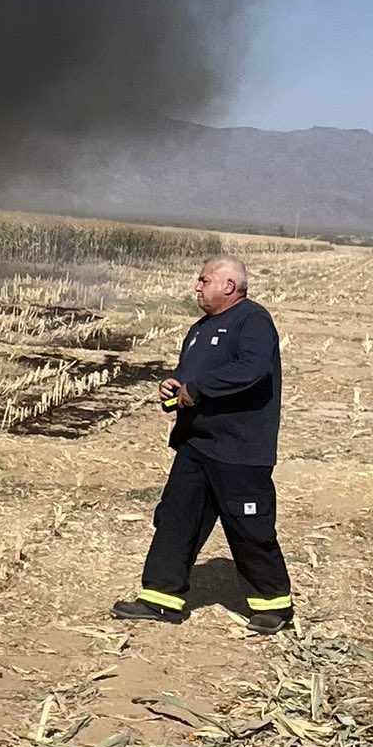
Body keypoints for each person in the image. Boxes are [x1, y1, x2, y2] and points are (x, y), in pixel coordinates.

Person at [112, 256, 293, 634]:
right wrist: (173, 388)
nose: (197, 287)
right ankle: (161, 599)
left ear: (229, 285)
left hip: (239, 449)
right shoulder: (200, 328)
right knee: (176, 519)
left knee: (249, 525)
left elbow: (251, 370)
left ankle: (274, 606)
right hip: (196, 445)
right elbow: (189, 378)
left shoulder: (252, 321)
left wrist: (198, 389)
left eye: (203, 280)